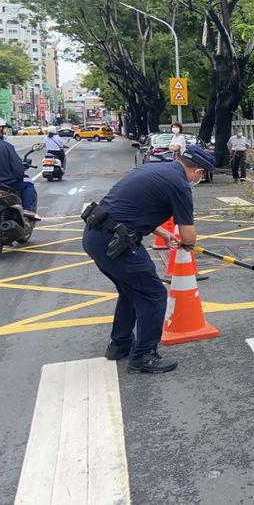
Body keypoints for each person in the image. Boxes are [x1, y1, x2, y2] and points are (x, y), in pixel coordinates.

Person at [81, 144, 214, 374]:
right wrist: (187, 244)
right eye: (202, 175)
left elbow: (134, 208)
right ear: (199, 172)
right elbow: (188, 233)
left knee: (131, 291)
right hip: (116, 244)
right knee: (153, 294)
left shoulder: (152, 169)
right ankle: (143, 355)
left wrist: (163, 233)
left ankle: (120, 344)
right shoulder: (180, 184)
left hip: (95, 236)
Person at [0, 117, 39, 220]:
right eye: (4, 129)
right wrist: (19, 176)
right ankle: (26, 210)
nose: (5, 131)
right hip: (5, 184)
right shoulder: (6, 146)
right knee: (28, 184)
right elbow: (18, 170)